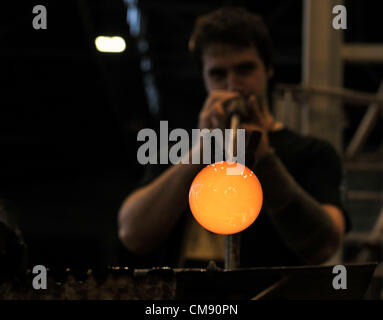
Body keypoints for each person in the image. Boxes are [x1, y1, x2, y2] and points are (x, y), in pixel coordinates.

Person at [118, 7, 351, 268]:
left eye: (245, 69)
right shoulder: (181, 148)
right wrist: (200, 152)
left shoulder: (312, 152)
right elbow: (132, 234)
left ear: (268, 69)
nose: (232, 85)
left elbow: (325, 246)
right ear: (204, 78)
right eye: (218, 74)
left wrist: (264, 160)